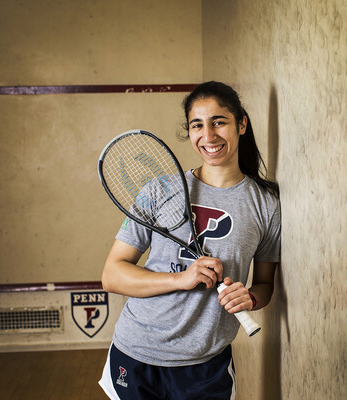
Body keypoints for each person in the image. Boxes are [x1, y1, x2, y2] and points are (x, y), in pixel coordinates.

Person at [98, 81, 281, 400]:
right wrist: (182, 279)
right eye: (198, 125)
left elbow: (265, 285)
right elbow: (112, 276)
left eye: (219, 122)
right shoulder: (159, 191)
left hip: (205, 368)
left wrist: (250, 299)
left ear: (241, 124)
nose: (208, 136)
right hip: (136, 354)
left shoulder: (265, 204)